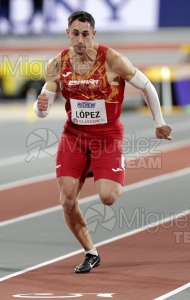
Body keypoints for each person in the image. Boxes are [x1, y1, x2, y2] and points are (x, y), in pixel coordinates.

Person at [34, 11, 172, 274]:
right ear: (68, 34)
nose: (80, 40)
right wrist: (39, 107)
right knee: (67, 201)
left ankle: (104, 164)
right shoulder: (56, 65)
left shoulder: (112, 60)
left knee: (108, 198)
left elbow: (147, 87)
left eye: (85, 34)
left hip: (107, 138)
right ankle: (91, 252)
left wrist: (159, 122)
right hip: (74, 136)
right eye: (75, 34)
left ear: (93, 35)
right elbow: (42, 109)